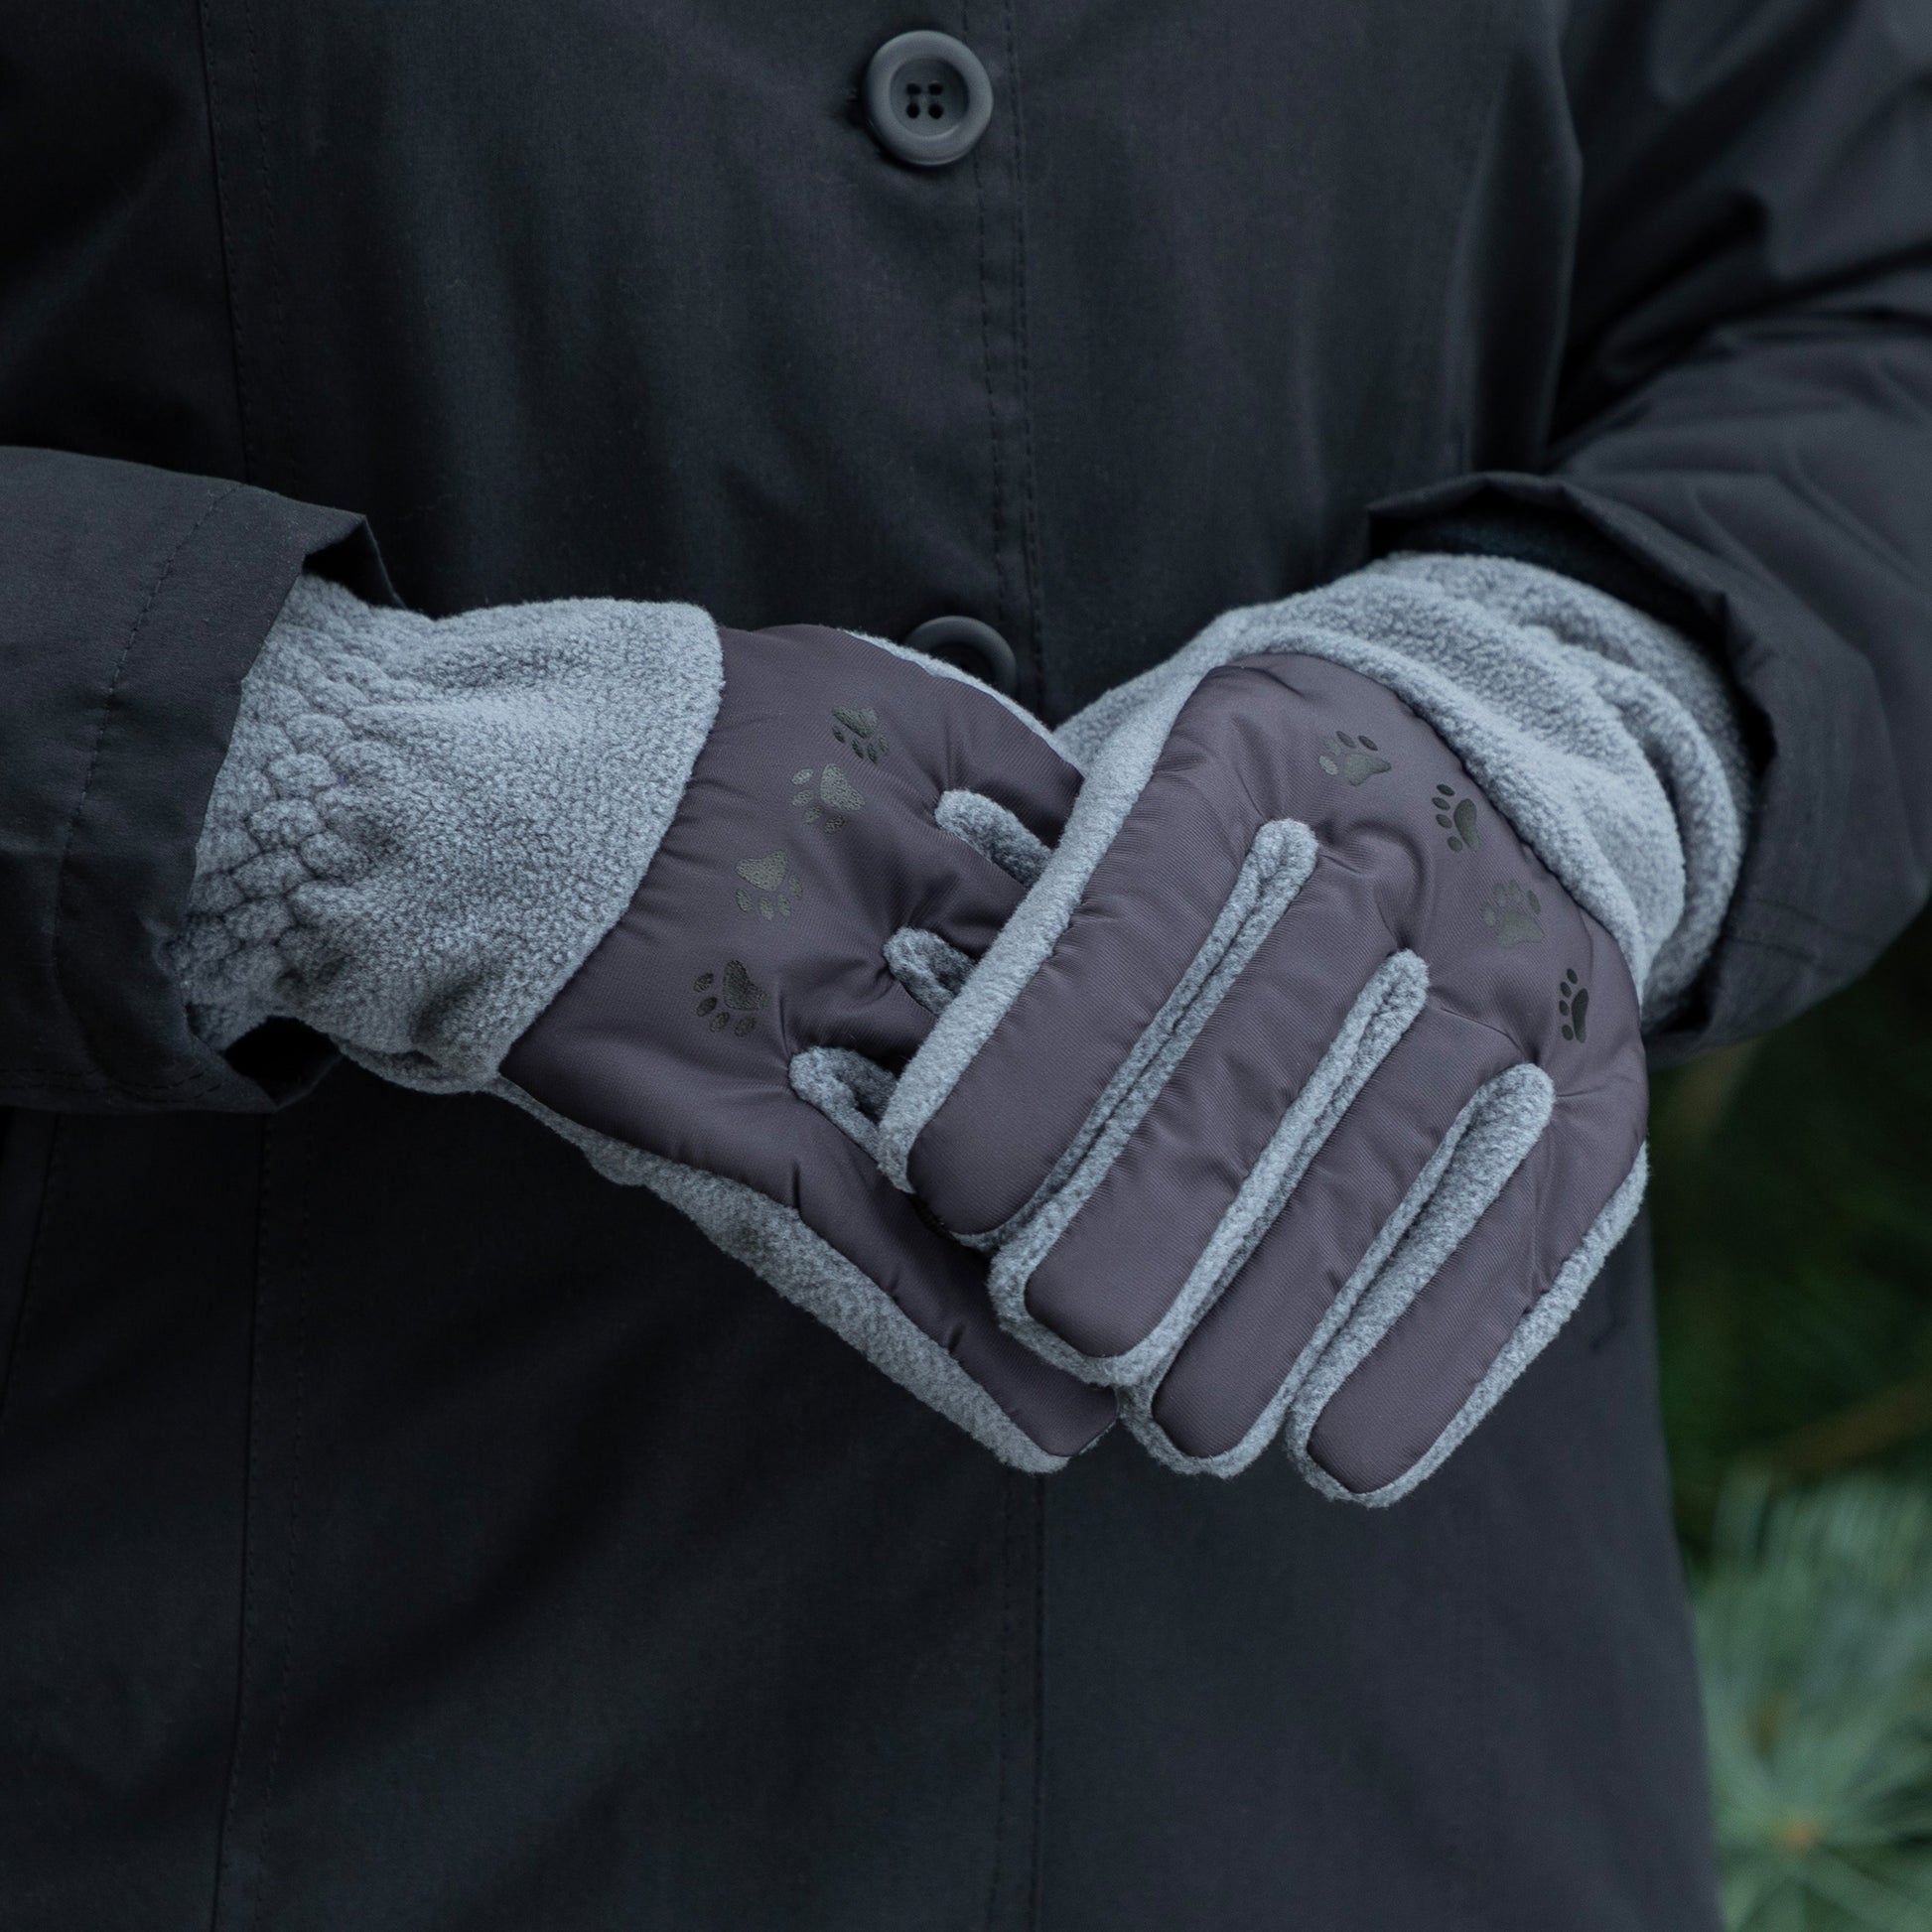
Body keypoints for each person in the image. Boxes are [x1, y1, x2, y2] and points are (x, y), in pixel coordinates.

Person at [2, 5, 1927, 1926]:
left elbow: (1865, 281)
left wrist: (1609, 697)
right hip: (244, 1743)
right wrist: (323, 779)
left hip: (1368, 1773)